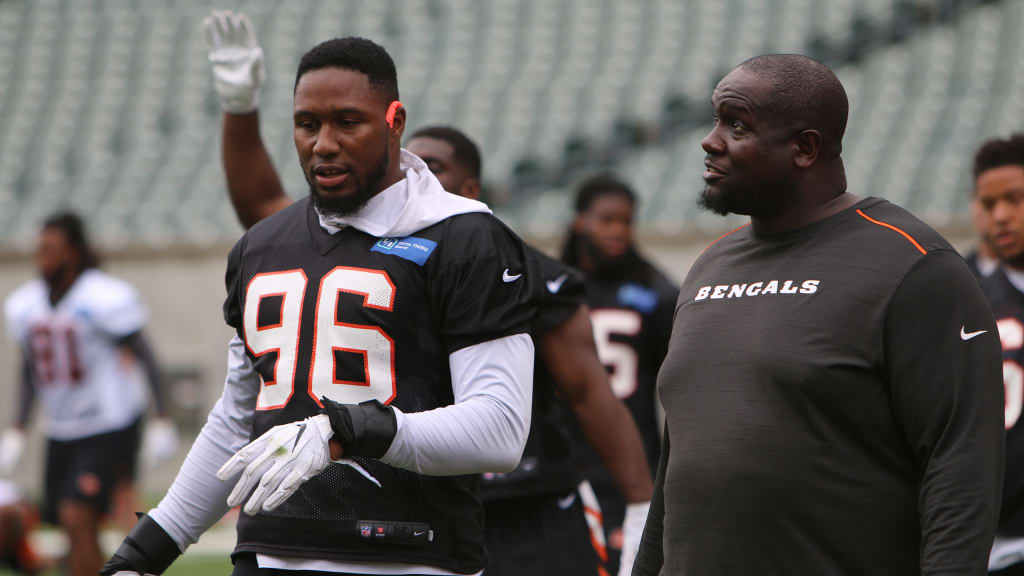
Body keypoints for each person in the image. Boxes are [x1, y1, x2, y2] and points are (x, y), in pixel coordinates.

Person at [197, 13, 654, 575]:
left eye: (434, 170)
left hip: (526, 500)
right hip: (401, 499)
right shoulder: (332, 240)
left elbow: (589, 395)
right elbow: (266, 214)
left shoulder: (492, 254)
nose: (413, 176)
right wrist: (240, 107)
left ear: (466, 189)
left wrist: (640, 501)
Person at [102, 35, 544, 576]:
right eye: (308, 125)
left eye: (347, 122)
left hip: (412, 555)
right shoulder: (261, 247)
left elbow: (499, 430)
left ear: (394, 121)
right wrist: (147, 551)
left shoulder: (463, 237)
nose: (324, 144)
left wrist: (347, 429)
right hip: (270, 551)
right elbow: (239, 420)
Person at [633, 54, 1004, 575]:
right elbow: (678, 472)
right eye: (715, 120)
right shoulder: (708, 267)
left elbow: (961, 466)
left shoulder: (914, 266)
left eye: (736, 124)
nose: (710, 140)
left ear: (804, 148)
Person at [1, 213, 174, 576]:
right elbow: (31, 367)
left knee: (76, 515)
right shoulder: (25, 305)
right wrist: (18, 427)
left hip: (108, 422)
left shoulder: (103, 296)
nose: (43, 256)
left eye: (52, 249)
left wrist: (162, 417)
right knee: (69, 524)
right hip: (61, 426)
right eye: (40, 248)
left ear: (73, 253)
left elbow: (145, 355)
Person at [560, 175, 676, 575]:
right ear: (580, 221)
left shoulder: (656, 291)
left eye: (625, 221)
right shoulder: (555, 287)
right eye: (606, 220)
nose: (618, 231)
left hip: (629, 461)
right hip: (565, 460)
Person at [971, 133, 1024, 575]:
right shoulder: (971, 304)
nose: (1001, 216)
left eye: (1015, 199)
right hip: (995, 543)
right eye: (990, 205)